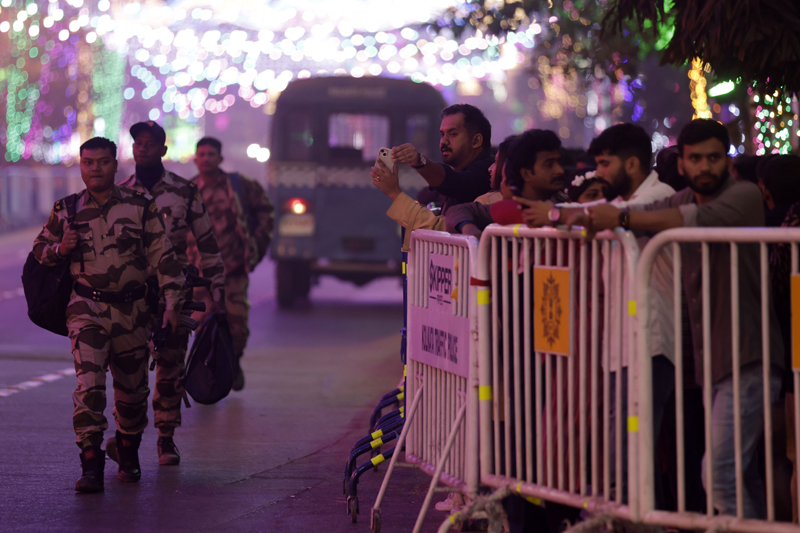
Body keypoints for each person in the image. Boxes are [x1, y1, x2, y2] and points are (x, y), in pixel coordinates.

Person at [587, 118, 785, 518]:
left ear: (728, 163)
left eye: (714, 158)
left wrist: (619, 218)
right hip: (713, 360)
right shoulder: (682, 199)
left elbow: (677, 222)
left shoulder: (744, 195)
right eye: (696, 159)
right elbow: (649, 213)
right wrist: (558, 216)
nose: (705, 167)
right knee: (737, 473)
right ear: (682, 165)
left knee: (721, 472)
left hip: (750, 354)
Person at [515, 123, 677, 506]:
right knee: (621, 458)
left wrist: (555, 214)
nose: (598, 174)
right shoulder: (619, 203)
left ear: (633, 163)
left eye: (604, 165)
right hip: (620, 344)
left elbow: (612, 215)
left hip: (649, 344)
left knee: (631, 457)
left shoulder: (660, 196)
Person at [32, 137, 185, 493]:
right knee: (90, 386)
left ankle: (128, 453)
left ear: (116, 166)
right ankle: (90, 464)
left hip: (132, 312)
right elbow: (40, 250)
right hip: (87, 309)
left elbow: (165, 258)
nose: (95, 168)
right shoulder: (66, 209)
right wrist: (60, 248)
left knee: (132, 395)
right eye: (88, 162)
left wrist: (173, 303)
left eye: (102, 162)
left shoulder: (139, 206)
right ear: (81, 166)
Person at [114, 121, 226, 466]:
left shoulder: (183, 191)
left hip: (173, 295)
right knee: (129, 371)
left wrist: (217, 288)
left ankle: (166, 439)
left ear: (163, 150)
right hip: (130, 296)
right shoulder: (120, 194)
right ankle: (126, 439)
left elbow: (206, 241)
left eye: (150, 143)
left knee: (170, 367)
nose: (142, 148)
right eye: (137, 143)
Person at [189, 136, 275, 390]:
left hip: (233, 271)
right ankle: (208, 374)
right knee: (201, 328)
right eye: (201, 154)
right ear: (195, 159)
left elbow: (266, 212)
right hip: (199, 275)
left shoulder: (239, 186)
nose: (206, 159)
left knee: (237, 328)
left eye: (211, 154)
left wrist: (255, 248)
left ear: (220, 158)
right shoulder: (187, 191)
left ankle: (233, 363)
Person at [371, 103, 493, 250]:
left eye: (453, 134)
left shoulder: (486, 173)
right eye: (442, 135)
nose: (444, 142)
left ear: (476, 141)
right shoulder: (436, 190)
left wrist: (419, 162)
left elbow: (456, 183)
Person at [445, 129, 566, 236]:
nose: (559, 171)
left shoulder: (575, 206)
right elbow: (457, 211)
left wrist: (556, 215)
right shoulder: (511, 209)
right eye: (549, 165)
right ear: (526, 174)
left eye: (559, 163)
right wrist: (471, 231)